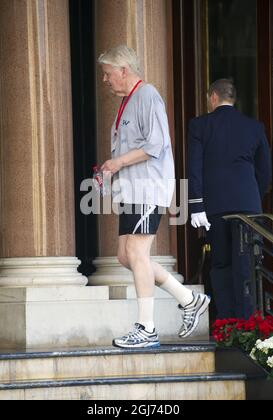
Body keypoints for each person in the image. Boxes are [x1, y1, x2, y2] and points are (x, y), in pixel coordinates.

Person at [98, 45, 210, 349]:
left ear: (123, 70)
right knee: (127, 256)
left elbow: (156, 144)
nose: (105, 80)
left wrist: (118, 162)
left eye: (108, 74)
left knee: (136, 253)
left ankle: (146, 327)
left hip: (147, 189)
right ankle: (190, 299)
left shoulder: (147, 95)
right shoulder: (128, 102)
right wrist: (113, 169)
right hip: (132, 190)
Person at [188, 79, 272, 319]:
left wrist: (197, 205)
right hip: (248, 207)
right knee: (246, 266)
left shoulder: (199, 125)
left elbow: (194, 168)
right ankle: (248, 322)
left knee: (222, 264)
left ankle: (227, 324)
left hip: (215, 206)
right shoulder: (254, 127)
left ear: (213, 97)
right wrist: (254, 194)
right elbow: (264, 170)